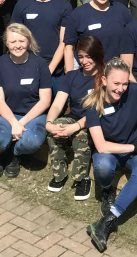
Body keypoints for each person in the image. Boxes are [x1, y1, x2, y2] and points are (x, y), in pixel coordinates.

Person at [82, 58, 137, 253]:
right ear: (104, 80)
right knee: (103, 167)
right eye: (116, 83)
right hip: (110, 150)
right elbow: (101, 145)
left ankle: (106, 222)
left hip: (134, 147)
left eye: (125, 83)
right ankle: (107, 190)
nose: (121, 88)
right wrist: (135, 148)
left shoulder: (135, 91)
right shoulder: (92, 104)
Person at [0, 24, 52, 177]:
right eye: (13, 42)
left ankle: (13, 154)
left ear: (28, 41)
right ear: (6, 43)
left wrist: (21, 123)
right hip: (9, 113)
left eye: (21, 41)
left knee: (31, 141)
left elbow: (45, 101)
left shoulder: (40, 64)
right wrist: (14, 122)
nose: (17, 46)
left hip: (34, 115)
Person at [45, 35, 102, 199]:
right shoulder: (72, 76)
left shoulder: (104, 77)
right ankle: (59, 173)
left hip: (96, 122)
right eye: (81, 57)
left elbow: (98, 110)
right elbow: (57, 104)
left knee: (81, 136)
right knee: (55, 128)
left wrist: (76, 127)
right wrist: (49, 123)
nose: (85, 61)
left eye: (89, 56)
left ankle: (82, 178)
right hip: (75, 117)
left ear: (97, 54)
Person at [11, 0, 72, 75]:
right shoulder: (21, 6)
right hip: (26, 67)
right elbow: (14, 39)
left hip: (54, 70)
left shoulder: (64, 6)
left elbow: (64, 42)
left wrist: (49, 70)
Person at [64, 0, 133, 63]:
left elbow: (131, 43)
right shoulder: (78, 14)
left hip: (115, 70)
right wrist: (71, 74)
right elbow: (68, 48)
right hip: (87, 70)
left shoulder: (122, 11)